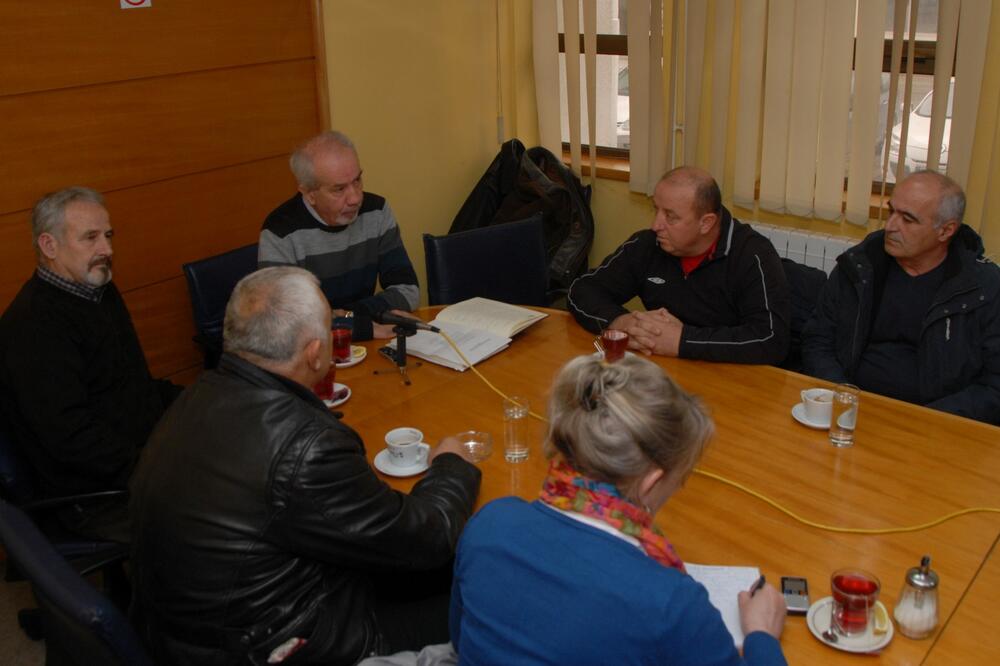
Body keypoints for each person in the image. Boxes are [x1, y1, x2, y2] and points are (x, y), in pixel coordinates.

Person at [130, 266, 481, 665]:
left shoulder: (195, 397)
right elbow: (426, 539)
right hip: (281, 644)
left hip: (186, 633)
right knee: (484, 589)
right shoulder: (307, 446)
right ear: (315, 353)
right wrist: (451, 466)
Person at [449, 355, 788, 665]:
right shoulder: (671, 604)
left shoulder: (489, 523)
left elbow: (461, 640)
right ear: (651, 482)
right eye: (679, 480)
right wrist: (761, 636)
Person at [0, 187, 179, 543]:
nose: (107, 250)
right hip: (88, 496)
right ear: (49, 246)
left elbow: (131, 385)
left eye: (108, 235)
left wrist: (202, 399)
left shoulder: (97, 290)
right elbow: (70, 440)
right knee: (224, 506)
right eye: (91, 238)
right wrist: (154, 466)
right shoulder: (34, 325)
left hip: (132, 459)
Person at [802, 170, 1000, 424]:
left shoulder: (983, 287)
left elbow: (994, 385)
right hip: (849, 411)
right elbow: (817, 339)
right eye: (891, 211)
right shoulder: (860, 266)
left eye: (908, 219)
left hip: (935, 425)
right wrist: (844, 397)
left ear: (946, 230)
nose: (891, 226)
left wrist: (926, 420)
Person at [568, 166, 790, 364]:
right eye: (656, 209)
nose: (655, 225)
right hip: (667, 371)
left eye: (670, 217)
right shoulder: (647, 245)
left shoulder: (752, 255)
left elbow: (771, 339)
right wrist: (619, 322)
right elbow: (582, 289)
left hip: (730, 381)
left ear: (706, 223)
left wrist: (682, 341)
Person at [259, 130, 420, 341]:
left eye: (357, 180)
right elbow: (287, 323)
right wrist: (363, 326)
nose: (355, 198)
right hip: (314, 353)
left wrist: (347, 316)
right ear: (309, 193)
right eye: (339, 189)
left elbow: (408, 290)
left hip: (362, 344)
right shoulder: (280, 232)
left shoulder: (376, 211)